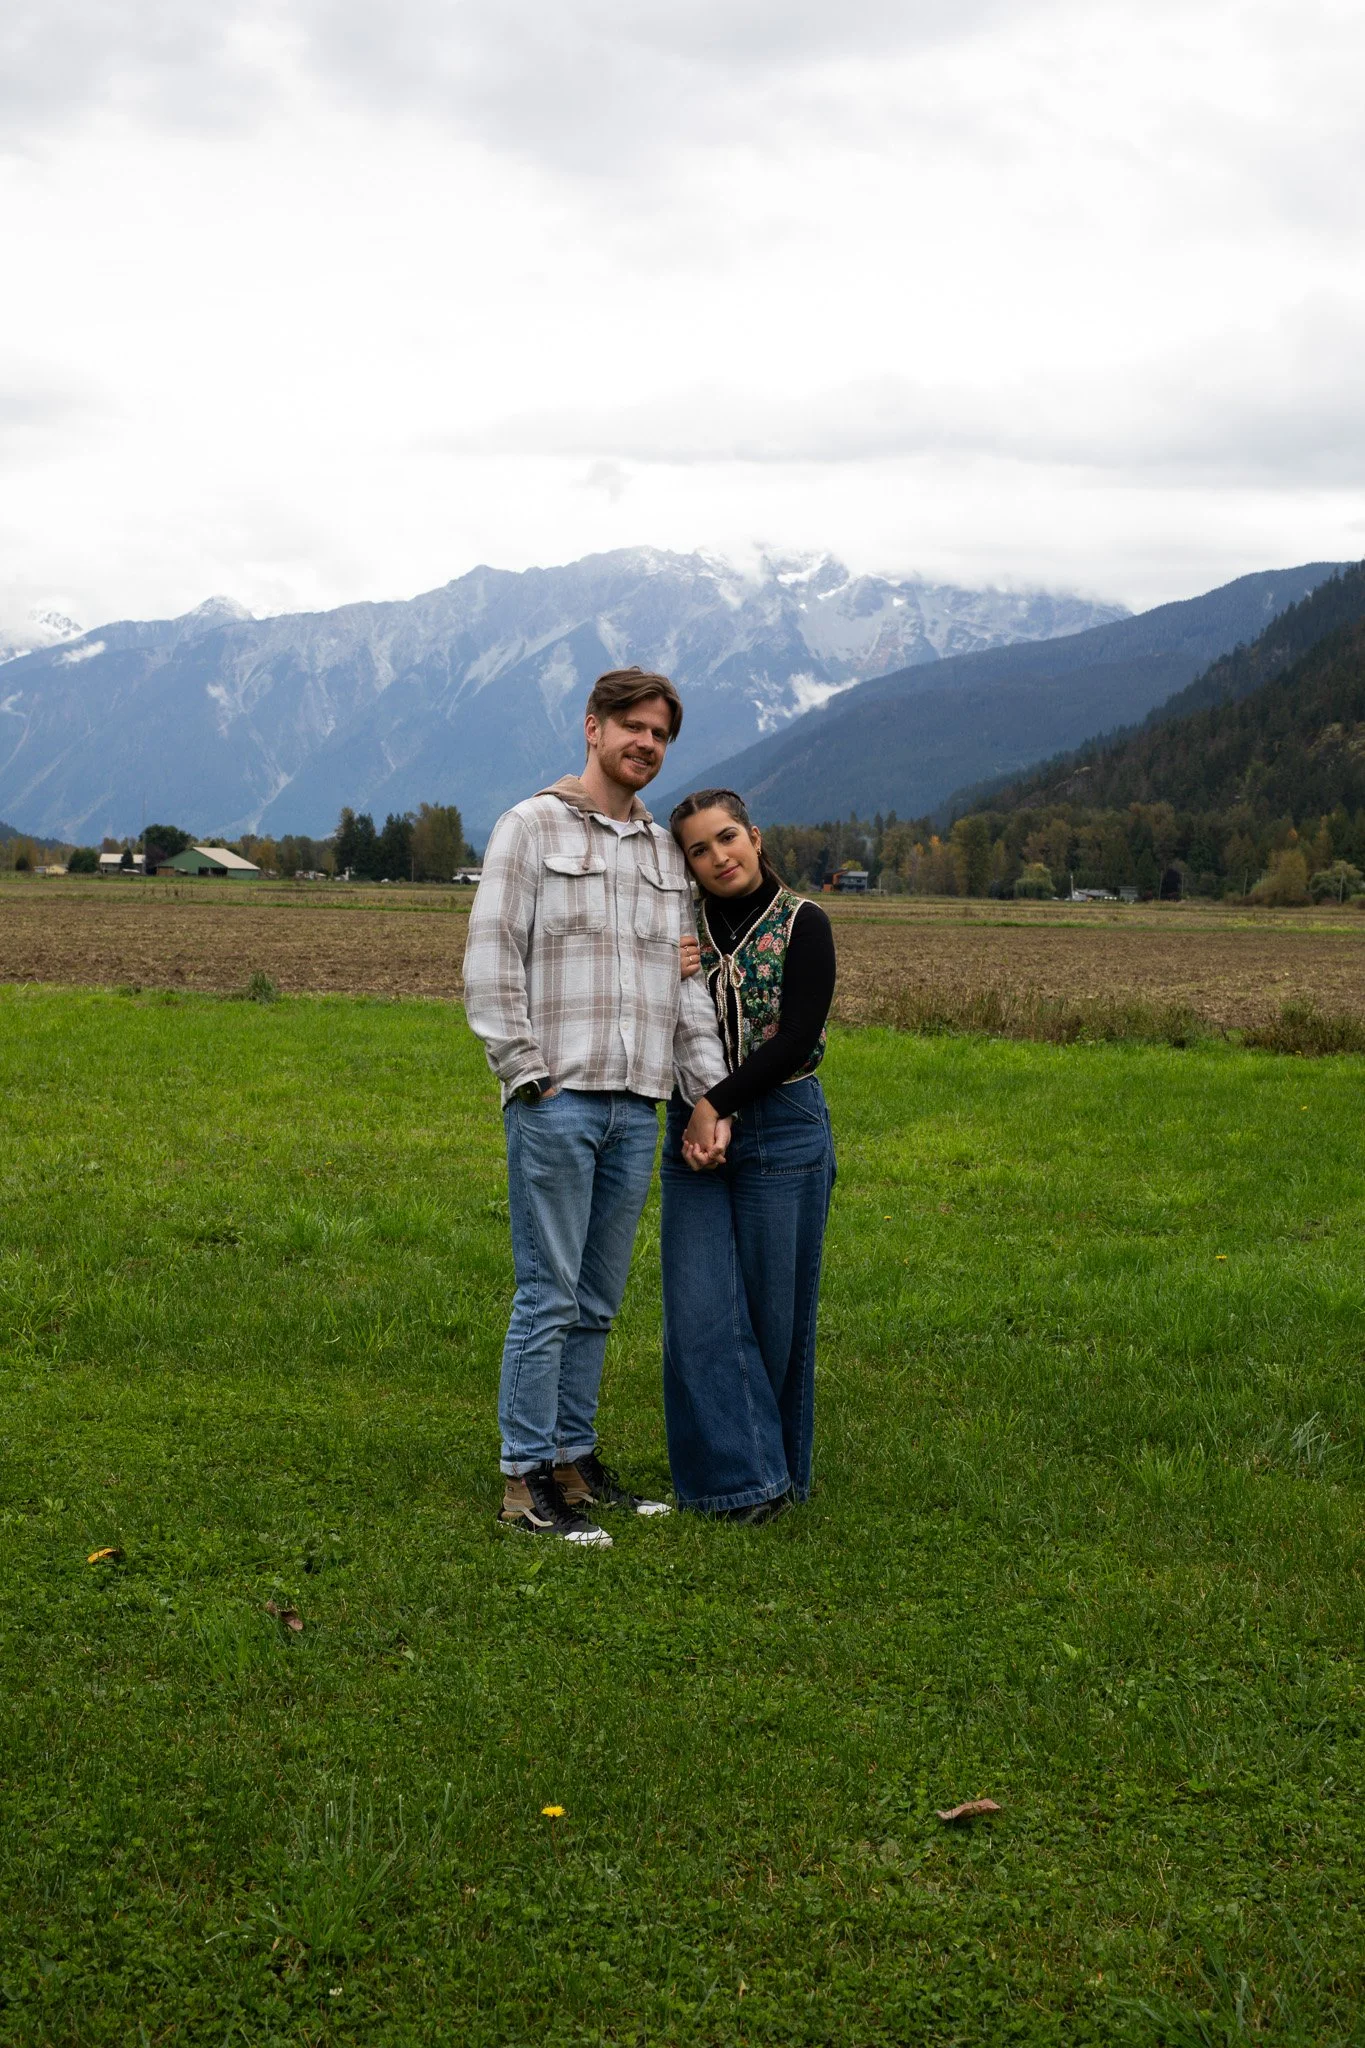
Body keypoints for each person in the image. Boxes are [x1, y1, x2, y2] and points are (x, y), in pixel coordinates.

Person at [463, 670, 728, 1548]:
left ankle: (574, 1463)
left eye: (659, 734)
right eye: (632, 727)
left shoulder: (663, 853)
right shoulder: (529, 827)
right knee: (548, 1294)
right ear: (593, 727)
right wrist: (525, 1071)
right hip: (559, 1099)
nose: (646, 744)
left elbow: (684, 986)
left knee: (598, 1298)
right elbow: (492, 955)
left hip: (637, 1104)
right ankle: (522, 1480)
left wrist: (702, 1094)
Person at [661, 789, 837, 1523]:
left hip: (783, 1123)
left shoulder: (804, 922)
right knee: (696, 1309)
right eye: (698, 849)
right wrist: (659, 969)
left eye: (726, 837)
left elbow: (795, 1037)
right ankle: (726, 1482)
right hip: (691, 1127)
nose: (717, 857)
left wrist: (716, 1104)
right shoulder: (680, 928)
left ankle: (770, 1481)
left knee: (773, 1311)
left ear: (755, 837)